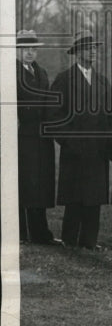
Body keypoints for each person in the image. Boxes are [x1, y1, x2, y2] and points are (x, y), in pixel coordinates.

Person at [50, 33, 112, 251]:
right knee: (75, 195)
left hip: (97, 149)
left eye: (95, 48)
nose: (93, 51)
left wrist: (107, 145)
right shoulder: (64, 79)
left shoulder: (102, 81)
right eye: (88, 48)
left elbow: (109, 115)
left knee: (93, 196)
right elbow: (55, 115)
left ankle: (89, 240)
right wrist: (68, 141)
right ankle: (70, 239)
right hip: (74, 149)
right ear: (77, 53)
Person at [16, 30, 59, 245]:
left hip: (42, 136)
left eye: (33, 49)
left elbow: (49, 103)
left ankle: (41, 231)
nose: (30, 53)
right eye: (25, 49)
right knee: (25, 183)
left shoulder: (41, 72)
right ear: (17, 50)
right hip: (22, 135)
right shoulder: (10, 72)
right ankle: (22, 233)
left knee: (41, 182)